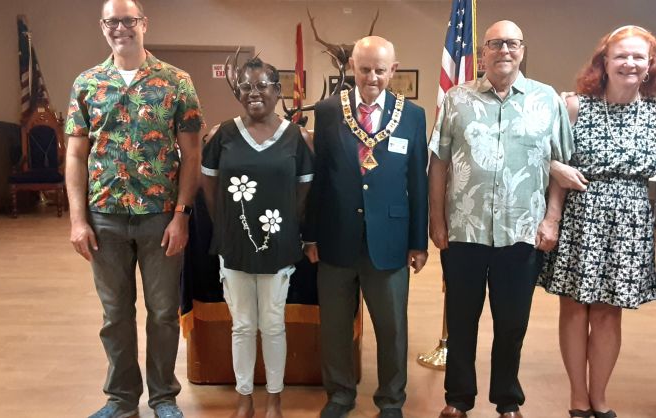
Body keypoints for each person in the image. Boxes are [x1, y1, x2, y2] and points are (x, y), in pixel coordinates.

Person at [64, 1, 203, 417]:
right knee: (115, 315)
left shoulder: (176, 82)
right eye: (112, 21)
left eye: (128, 20)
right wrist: (76, 220)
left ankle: (163, 398)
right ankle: (122, 399)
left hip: (160, 217)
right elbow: (75, 155)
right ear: (103, 27)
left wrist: (182, 214)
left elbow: (191, 153)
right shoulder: (87, 84)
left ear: (144, 23)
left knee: (162, 313)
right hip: (104, 217)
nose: (120, 28)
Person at [429, 20, 574, 418]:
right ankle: (458, 398)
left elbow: (561, 165)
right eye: (495, 44)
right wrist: (436, 218)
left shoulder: (547, 100)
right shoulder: (456, 99)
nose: (504, 51)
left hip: (522, 233)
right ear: (483, 53)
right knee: (461, 321)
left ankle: (507, 399)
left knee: (511, 325)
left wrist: (552, 219)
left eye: (512, 43)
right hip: (463, 231)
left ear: (522, 49)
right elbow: (438, 162)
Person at [539, 25, 656, 418]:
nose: (629, 63)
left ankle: (600, 397)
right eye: (620, 56)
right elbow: (555, 166)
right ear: (604, 63)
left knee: (610, 311)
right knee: (576, 308)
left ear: (649, 66)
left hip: (630, 219)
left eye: (638, 57)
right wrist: (552, 217)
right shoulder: (576, 106)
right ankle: (578, 397)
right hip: (582, 214)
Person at [303, 35, 428, 418]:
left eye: (379, 69)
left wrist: (418, 241)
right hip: (336, 236)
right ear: (352, 68)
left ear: (393, 70)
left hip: (389, 239)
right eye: (364, 69)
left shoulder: (412, 115)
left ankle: (391, 400)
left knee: (391, 329)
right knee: (336, 327)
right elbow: (318, 177)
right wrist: (310, 234)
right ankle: (340, 395)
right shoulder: (327, 111)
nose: (371, 77)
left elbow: (417, 182)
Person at [200, 57, 313, 418]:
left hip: (278, 247)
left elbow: (303, 192)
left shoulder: (295, 136)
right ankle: (245, 396)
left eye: (262, 85)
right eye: (246, 87)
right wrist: (229, 224)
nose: (254, 94)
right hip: (234, 246)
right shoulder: (223, 135)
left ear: (278, 91)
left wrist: (284, 228)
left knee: (274, 324)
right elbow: (209, 186)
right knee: (243, 325)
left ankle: (274, 398)